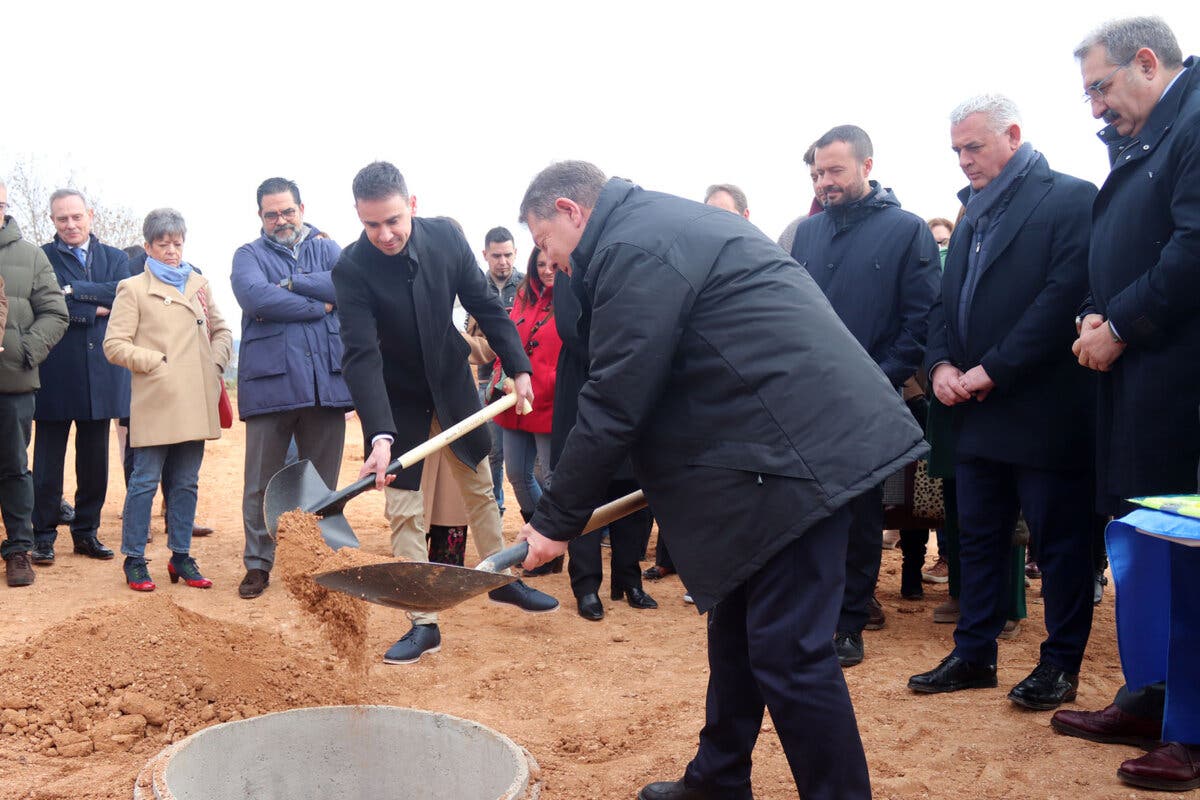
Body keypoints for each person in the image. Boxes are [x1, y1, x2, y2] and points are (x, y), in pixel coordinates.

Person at [516, 160, 927, 800]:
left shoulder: (634, 246)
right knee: (735, 626)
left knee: (790, 652)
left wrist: (555, 518)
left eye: (545, 242)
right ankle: (719, 778)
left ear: (570, 211)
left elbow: (619, 395)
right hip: (764, 447)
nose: (551, 260)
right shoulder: (648, 228)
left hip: (796, 452)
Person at [905, 94, 1098, 711]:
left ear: (1012, 134)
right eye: (956, 150)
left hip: (1043, 410)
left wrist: (994, 368)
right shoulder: (972, 214)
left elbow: (1061, 296)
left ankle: (1060, 664)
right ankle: (974, 654)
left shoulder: (1070, 197)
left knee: (1059, 543)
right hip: (972, 409)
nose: (963, 160)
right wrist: (938, 366)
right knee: (978, 538)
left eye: (973, 146)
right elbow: (943, 302)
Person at [1052, 16, 1200, 791]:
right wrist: (1090, 310)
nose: (1096, 109)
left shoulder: (1198, 124)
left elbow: (1194, 249)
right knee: (1146, 552)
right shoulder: (1145, 140)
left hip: (1182, 390)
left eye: (1100, 88)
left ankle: (1193, 729)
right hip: (1139, 385)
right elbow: (1114, 251)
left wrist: (1122, 324)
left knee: (1188, 556)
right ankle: (1152, 699)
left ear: (1148, 62)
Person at [333, 161, 557, 666]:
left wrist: (518, 367)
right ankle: (423, 623)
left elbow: (487, 305)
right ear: (358, 217)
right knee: (405, 511)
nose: (385, 234)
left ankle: (499, 578)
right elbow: (361, 356)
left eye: (393, 220)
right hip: (398, 401)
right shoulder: (351, 269)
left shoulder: (446, 240)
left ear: (411, 205)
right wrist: (380, 436)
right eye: (372, 225)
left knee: (480, 486)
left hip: (454, 388)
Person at [788, 124, 940, 667]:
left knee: (859, 516)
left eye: (835, 171)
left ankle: (850, 621)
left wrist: (877, 380)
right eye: (817, 173)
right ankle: (814, 611)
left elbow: (919, 320)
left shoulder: (907, 231)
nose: (825, 182)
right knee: (807, 513)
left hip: (872, 401)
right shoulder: (806, 235)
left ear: (866, 166)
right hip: (807, 401)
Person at [231, 177, 353, 600]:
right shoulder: (247, 255)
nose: (280, 220)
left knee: (321, 483)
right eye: (271, 213)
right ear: (260, 216)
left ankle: (318, 562)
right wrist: (319, 305)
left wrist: (290, 283)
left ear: (301, 207)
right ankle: (258, 564)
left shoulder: (329, 248)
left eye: (287, 211)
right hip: (271, 387)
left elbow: (345, 287)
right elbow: (256, 299)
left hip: (326, 385)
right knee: (261, 483)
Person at [103, 208, 232, 592]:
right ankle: (135, 559)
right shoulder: (132, 288)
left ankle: (181, 556)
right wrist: (155, 362)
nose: (172, 251)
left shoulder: (199, 284)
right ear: (148, 247)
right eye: (163, 245)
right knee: (144, 481)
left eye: (177, 243)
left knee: (187, 483)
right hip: (157, 399)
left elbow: (222, 330)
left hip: (195, 398)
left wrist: (214, 363)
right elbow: (114, 345)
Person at [546, 240, 657, 619]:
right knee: (584, 490)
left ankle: (630, 581)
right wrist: (620, 349)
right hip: (585, 384)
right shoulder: (569, 263)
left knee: (632, 491)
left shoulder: (626, 259)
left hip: (629, 384)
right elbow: (570, 327)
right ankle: (586, 586)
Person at [29, 189, 129, 565]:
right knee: (47, 463)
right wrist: (92, 310)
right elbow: (46, 305)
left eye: (76, 217)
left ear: (89, 214)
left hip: (102, 373)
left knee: (94, 462)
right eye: (61, 219)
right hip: (55, 372)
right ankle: (42, 536)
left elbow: (122, 296)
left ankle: (86, 532)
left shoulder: (117, 259)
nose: (70, 225)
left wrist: (74, 291)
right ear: (53, 220)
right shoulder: (41, 257)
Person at [0, 180, 68, 587]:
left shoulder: (30, 255)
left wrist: (24, 351)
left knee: (13, 469)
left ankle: (19, 550)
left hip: (12, 383)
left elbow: (55, 312)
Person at [490, 248, 564, 575]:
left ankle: (550, 546)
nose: (548, 270)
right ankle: (536, 544)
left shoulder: (575, 300)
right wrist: (504, 377)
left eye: (554, 264)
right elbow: (506, 343)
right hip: (516, 399)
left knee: (551, 477)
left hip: (552, 401)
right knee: (517, 475)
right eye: (542, 264)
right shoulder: (522, 297)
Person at [466, 226, 524, 516]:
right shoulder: (474, 288)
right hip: (488, 380)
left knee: (530, 457)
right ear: (485, 255)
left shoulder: (528, 286)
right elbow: (469, 333)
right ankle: (496, 508)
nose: (503, 261)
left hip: (522, 379)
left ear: (516, 254)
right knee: (492, 451)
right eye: (497, 255)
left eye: (508, 255)